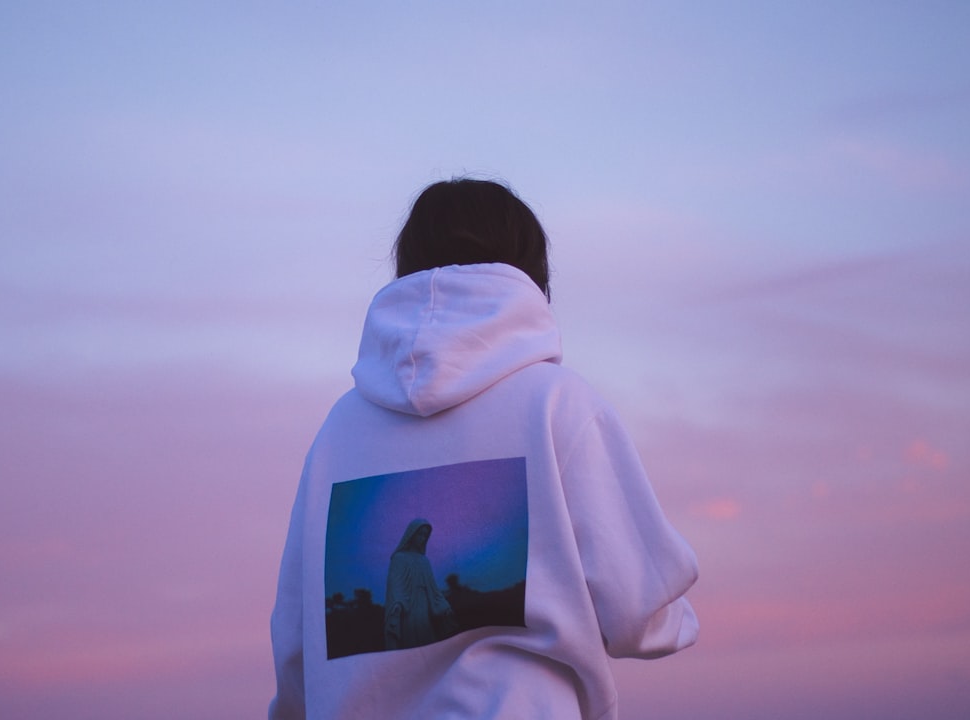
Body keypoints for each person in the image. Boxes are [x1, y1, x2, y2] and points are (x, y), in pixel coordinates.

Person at [269, 178, 699, 719]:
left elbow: (296, 643)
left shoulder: (338, 431)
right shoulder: (556, 404)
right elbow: (639, 611)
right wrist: (679, 620)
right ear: (530, 273)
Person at [384, 519, 458, 650]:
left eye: (425, 535)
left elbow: (433, 588)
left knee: (427, 640)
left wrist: (444, 606)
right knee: (410, 642)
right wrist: (397, 604)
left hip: (424, 606)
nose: (422, 538)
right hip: (407, 608)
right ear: (411, 534)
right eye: (420, 534)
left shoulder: (424, 561)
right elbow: (395, 585)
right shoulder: (399, 558)